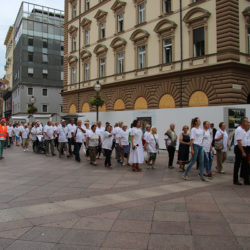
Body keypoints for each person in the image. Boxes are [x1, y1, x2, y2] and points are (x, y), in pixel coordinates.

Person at [233, 117, 249, 185]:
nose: (247, 123)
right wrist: (242, 151)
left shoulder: (244, 130)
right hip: (239, 148)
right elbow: (239, 141)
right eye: (246, 122)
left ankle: (246, 179)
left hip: (244, 147)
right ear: (243, 122)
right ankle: (235, 180)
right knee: (237, 164)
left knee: (245, 164)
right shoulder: (239, 130)